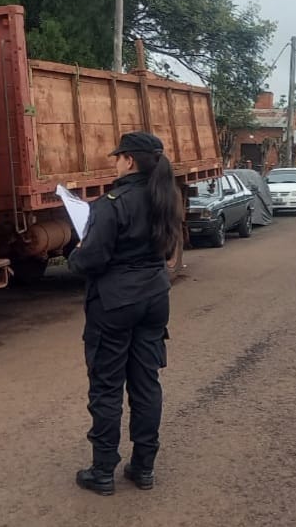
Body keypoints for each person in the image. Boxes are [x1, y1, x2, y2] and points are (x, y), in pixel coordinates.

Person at [67, 131, 182, 496]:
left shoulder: (111, 202)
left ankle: (102, 471)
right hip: (155, 297)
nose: (114, 162)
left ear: (129, 160)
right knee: (147, 384)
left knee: (107, 386)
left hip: (115, 303)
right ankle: (144, 467)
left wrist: (75, 253)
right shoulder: (166, 197)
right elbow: (166, 252)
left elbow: (92, 259)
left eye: (117, 157)